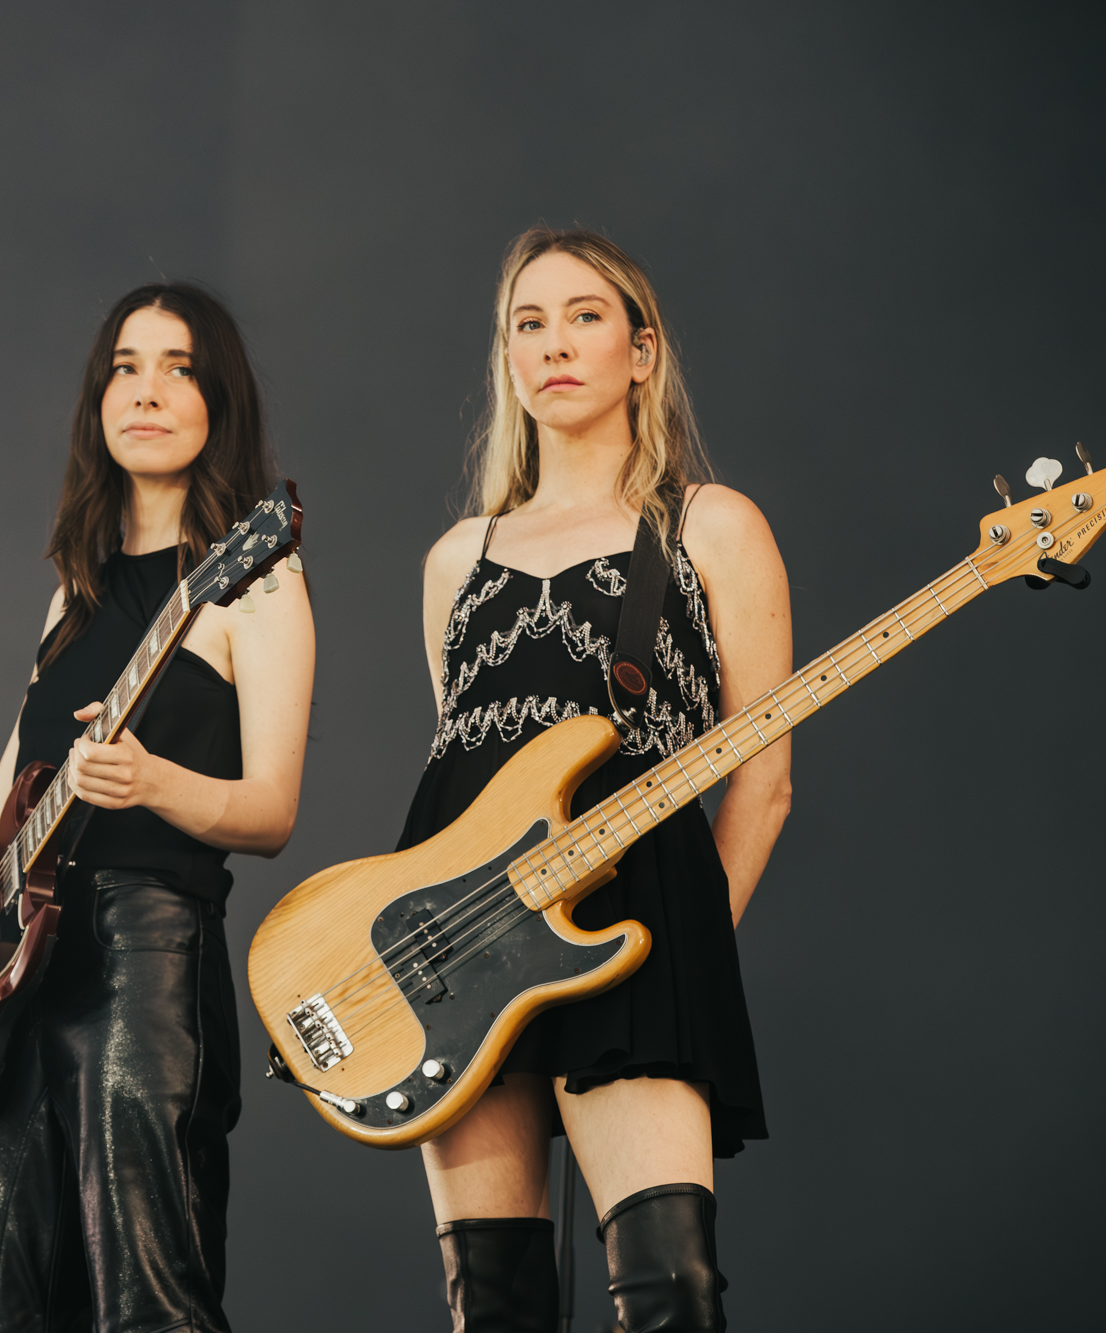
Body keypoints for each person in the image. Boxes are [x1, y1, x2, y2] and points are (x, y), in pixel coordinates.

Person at [0, 282, 314, 1333]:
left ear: (219, 402)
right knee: (1, 1311)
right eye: (125, 367)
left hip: (147, 958)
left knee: (150, 1304)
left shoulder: (255, 580)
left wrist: (154, 783)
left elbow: (271, 812)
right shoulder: (72, 593)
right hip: (12, 977)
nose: (146, 391)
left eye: (178, 369)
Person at [401, 229, 791, 1333]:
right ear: (506, 358)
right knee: (493, 1303)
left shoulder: (709, 524)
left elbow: (763, 782)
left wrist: (676, 951)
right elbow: (464, 780)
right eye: (527, 323)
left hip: (633, 928)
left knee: (671, 1291)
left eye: (584, 316)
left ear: (640, 351)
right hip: (462, 938)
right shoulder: (457, 558)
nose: (554, 344)